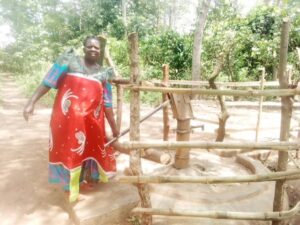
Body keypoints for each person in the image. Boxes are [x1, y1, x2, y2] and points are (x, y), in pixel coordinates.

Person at [23, 36, 119, 202]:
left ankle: (83, 180)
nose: (93, 50)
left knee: (87, 150)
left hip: (92, 121)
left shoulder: (103, 73)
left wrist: (114, 127)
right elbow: (48, 82)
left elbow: (107, 104)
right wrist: (31, 102)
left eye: (97, 47)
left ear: (100, 50)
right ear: (84, 47)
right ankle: (70, 188)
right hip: (67, 119)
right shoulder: (69, 61)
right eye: (90, 46)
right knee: (68, 150)